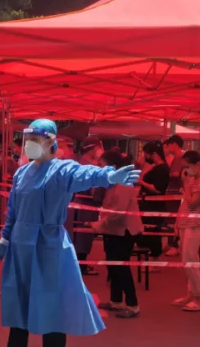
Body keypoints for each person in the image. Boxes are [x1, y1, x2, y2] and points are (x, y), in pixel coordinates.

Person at [0, 119, 141, 347]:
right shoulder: (22, 174)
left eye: (35, 139)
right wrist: (4, 240)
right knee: (19, 298)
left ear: (50, 141)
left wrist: (108, 176)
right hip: (21, 247)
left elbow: (84, 175)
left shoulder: (61, 169)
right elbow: (13, 211)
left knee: (51, 302)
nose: (29, 144)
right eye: (27, 139)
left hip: (48, 246)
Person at [93, 148, 143, 318]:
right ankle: (116, 300)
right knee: (113, 266)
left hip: (124, 231)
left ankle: (133, 304)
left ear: (113, 166)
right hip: (113, 230)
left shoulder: (123, 184)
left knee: (122, 268)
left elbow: (118, 211)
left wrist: (100, 223)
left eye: (102, 165)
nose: (99, 168)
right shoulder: (113, 182)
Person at [171, 150, 200, 312]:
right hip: (186, 222)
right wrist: (177, 222)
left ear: (196, 164)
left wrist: (185, 185)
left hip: (195, 224)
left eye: (186, 166)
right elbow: (185, 203)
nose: (184, 170)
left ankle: (198, 297)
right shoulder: (192, 180)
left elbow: (194, 202)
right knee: (190, 259)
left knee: (189, 259)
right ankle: (191, 293)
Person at [73, 136, 106, 275]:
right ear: (92, 148)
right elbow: (92, 188)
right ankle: (81, 266)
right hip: (85, 204)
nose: (100, 150)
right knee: (82, 236)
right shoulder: (85, 165)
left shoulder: (90, 164)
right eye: (98, 147)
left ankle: (81, 264)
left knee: (85, 236)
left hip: (88, 204)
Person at [136, 141, 171, 257]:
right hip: (149, 205)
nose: (145, 157)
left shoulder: (161, 170)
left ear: (154, 154)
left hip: (154, 207)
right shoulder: (156, 168)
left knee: (152, 233)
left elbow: (157, 189)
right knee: (150, 233)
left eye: (146, 154)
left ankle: (153, 257)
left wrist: (142, 182)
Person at [163, 135, 185, 257]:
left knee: (172, 219)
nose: (167, 148)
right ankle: (172, 243)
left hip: (174, 193)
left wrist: (169, 174)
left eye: (169, 145)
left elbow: (176, 174)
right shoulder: (182, 157)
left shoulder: (178, 158)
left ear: (175, 144)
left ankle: (174, 245)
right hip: (177, 192)